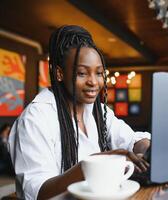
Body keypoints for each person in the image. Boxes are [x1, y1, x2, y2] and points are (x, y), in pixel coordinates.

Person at [8, 25, 151, 200]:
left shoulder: (98, 111)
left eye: (99, 73)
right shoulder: (35, 118)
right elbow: (38, 193)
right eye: (82, 73)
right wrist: (92, 165)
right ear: (59, 73)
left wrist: (143, 151)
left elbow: (135, 141)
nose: (93, 82)